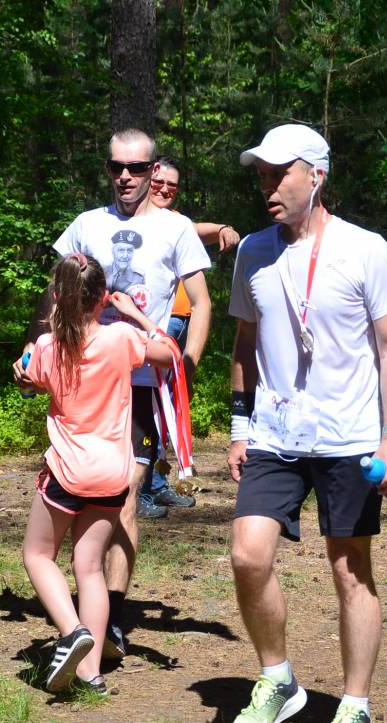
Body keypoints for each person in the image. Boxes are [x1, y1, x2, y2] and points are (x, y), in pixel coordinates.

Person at [225, 124, 387, 723]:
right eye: (261, 175)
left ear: (317, 176)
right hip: (274, 434)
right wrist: (239, 427)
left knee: (349, 570)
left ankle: (356, 709)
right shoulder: (252, 252)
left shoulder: (364, 248)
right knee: (248, 555)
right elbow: (245, 343)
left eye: (279, 174)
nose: (268, 186)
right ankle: (278, 680)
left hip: (349, 436)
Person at [15, 129, 212, 660]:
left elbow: (200, 302)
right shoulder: (87, 224)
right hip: (86, 379)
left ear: (153, 171)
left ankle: (112, 617)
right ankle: (90, 610)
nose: (125, 176)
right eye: (116, 167)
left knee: (126, 491)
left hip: (144, 380)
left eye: (137, 168)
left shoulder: (176, 228)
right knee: (85, 487)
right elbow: (55, 289)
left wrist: (185, 366)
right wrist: (34, 347)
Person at [18, 252, 176, 694]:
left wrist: (23, 373)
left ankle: (73, 632)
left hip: (67, 471)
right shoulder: (122, 338)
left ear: (57, 297)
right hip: (112, 474)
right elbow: (169, 355)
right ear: (103, 297)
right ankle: (91, 677)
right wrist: (137, 315)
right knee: (89, 569)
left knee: (38, 556)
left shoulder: (48, 346)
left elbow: (30, 381)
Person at [138, 155, 242, 516]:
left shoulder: (175, 223)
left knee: (170, 406)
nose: (165, 189)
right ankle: (139, 491)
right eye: (159, 182)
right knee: (149, 406)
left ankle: (156, 484)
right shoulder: (135, 223)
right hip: (157, 325)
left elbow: (201, 230)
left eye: (173, 185)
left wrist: (225, 228)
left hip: (181, 324)